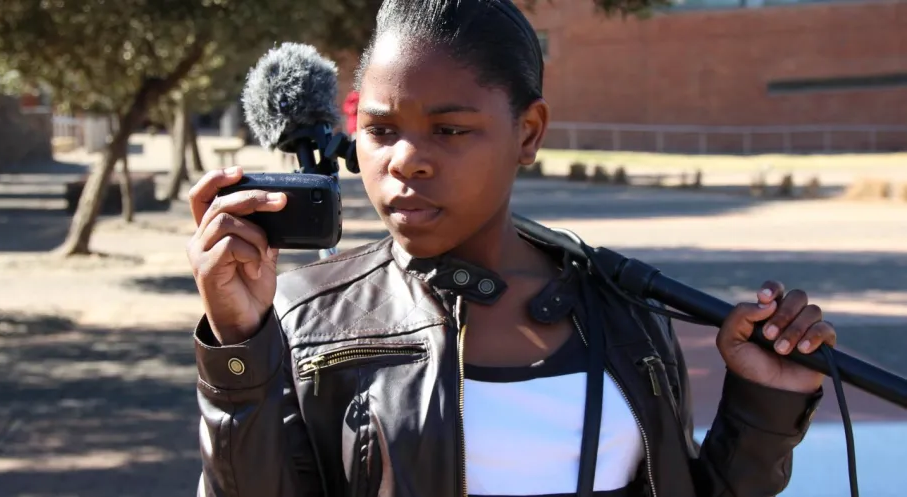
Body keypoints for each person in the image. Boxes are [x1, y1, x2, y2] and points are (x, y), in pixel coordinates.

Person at [186, 1, 834, 496]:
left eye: (449, 128)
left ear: (528, 132)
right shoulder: (300, 319)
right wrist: (239, 342)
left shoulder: (626, 311)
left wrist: (764, 404)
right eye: (381, 129)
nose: (406, 160)